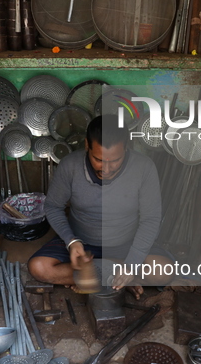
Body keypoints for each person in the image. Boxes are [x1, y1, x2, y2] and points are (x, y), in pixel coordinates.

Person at [28, 115, 173, 299]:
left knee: (163, 271)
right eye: (98, 159)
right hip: (82, 247)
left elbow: (150, 219)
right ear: (87, 145)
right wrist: (71, 241)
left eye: (115, 160)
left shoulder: (144, 168)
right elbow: (53, 206)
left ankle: (97, 276)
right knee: (39, 267)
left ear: (126, 147)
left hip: (126, 244)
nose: (106, 169)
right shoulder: (70, 166)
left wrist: (132, 264)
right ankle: (117, 279)